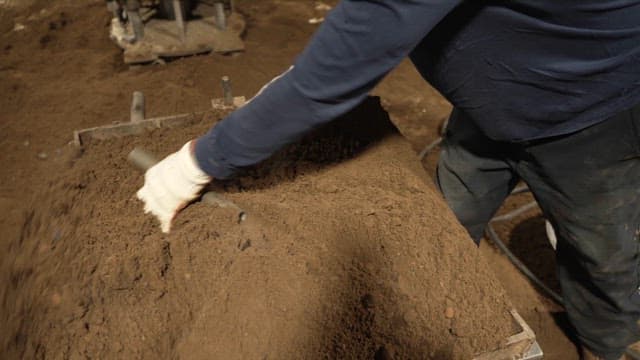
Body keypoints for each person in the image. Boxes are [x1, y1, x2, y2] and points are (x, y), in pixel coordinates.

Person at [135, 1, 640, 359]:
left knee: (600, 253)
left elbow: (332, 76)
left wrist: (198, 162)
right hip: (493, 104)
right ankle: (435, 300)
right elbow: (350, 43)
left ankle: (604, 345)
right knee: (445, 213)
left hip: (588, 113)